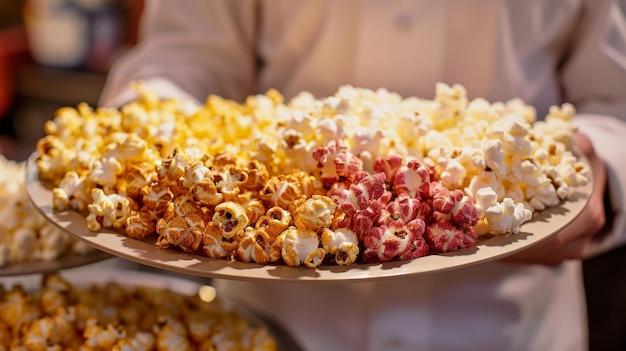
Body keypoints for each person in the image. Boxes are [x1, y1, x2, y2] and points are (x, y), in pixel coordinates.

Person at [98, 1, 626, 350]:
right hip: (275, 309)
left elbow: (616, 101)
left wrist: (599, 163)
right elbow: (180, 57)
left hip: (505, 321)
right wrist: (144, 134)